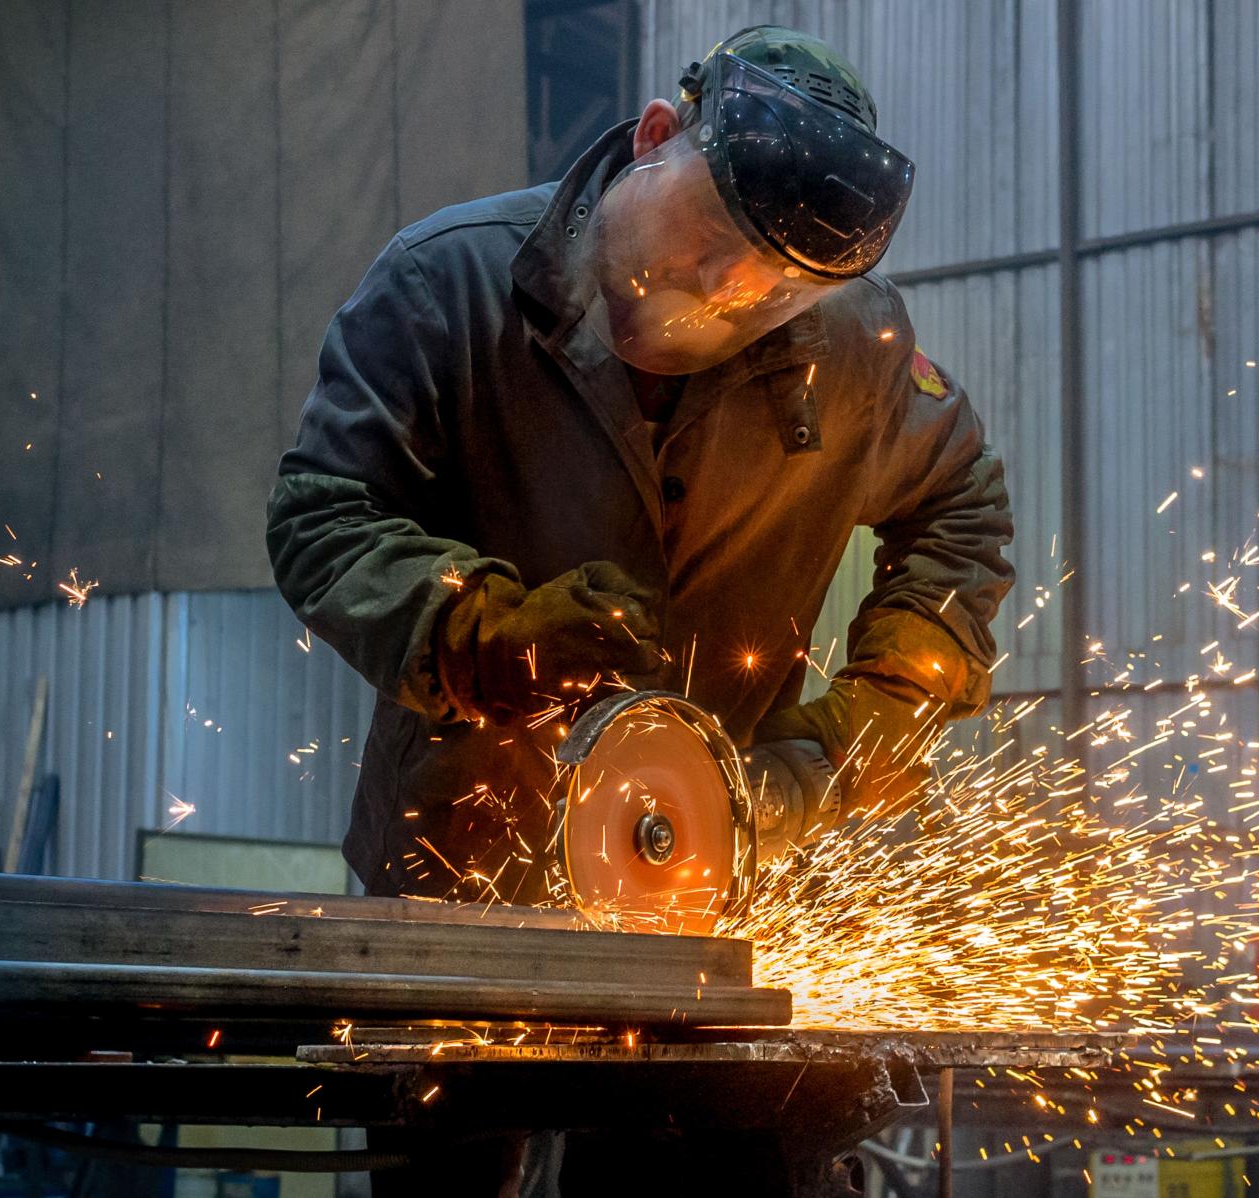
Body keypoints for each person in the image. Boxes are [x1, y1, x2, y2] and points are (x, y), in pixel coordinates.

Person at [266, 28, 1013, 1188]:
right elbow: (321, 517)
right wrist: (485, 631)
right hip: (467, 880)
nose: (727, 292)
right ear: (658, 140)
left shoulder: (851, 346)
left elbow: (962, 508)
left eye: (774, 288)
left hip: (715, 894)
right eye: (712, 239)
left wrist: (861, 729)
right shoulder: (446, 283)